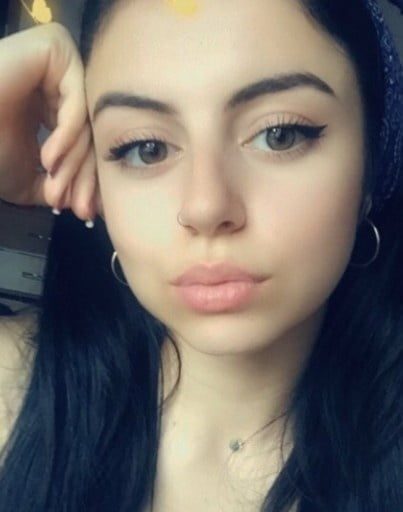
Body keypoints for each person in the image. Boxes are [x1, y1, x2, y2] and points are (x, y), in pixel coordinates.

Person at [0, 1, 402, 511]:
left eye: (279, 134)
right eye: (145, 147)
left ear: (371, 165)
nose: (206, 206)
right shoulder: (10, 386)